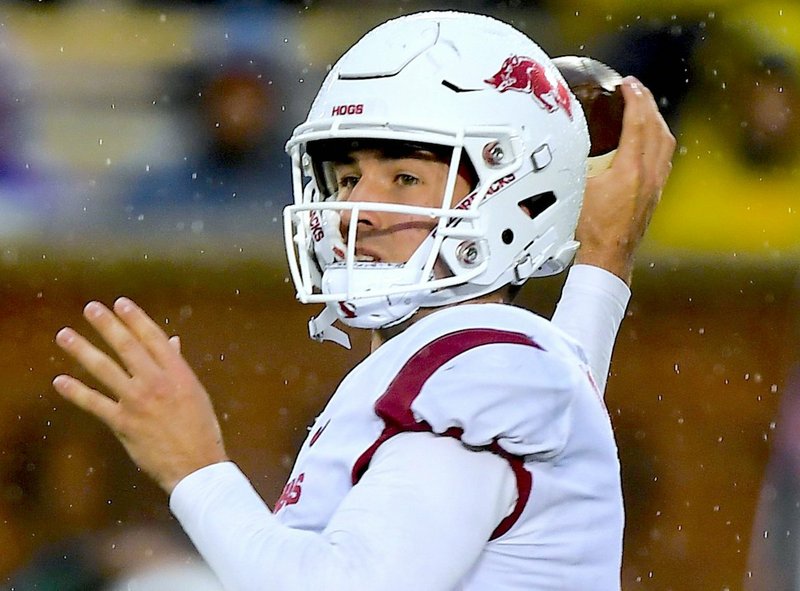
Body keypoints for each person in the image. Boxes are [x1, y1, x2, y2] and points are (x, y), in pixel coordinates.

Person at [51, 11, 675, 591]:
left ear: (510, 193)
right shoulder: (503, 366)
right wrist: (604, 258)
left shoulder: (483, 375)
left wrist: (195, 468)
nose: (355, 209)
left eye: (403, 177)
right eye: (348, 177)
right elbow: (560, 390)